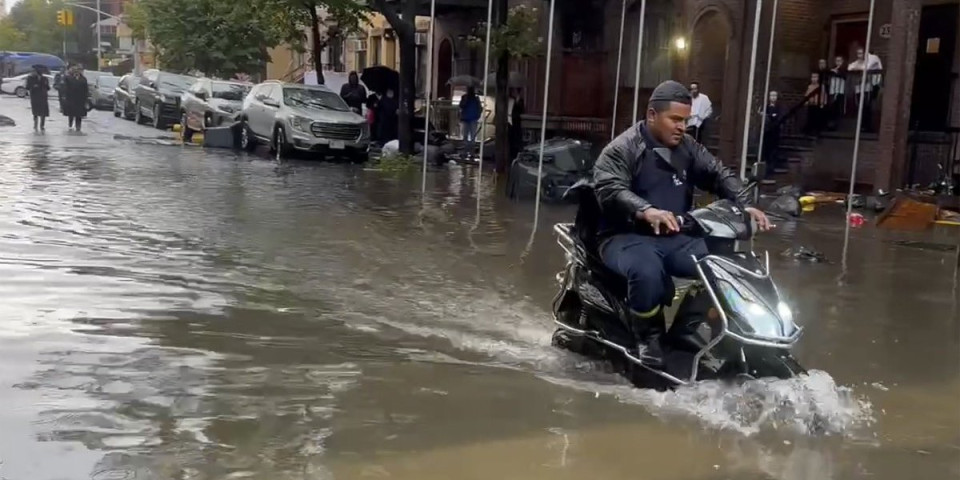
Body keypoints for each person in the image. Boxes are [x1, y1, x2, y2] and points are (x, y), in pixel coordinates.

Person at [593, 80, 772, 365]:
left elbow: (717, 173)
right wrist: (645, 210)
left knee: (721, 265)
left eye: (685, 121)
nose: (681, 127)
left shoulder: (688, 147)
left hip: (674, 235)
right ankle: (648, 337)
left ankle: (692, 329)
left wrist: (744, 202)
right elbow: (609, 188)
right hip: (625, 236)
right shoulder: (622, 148)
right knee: (646, 271)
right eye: (675, 119)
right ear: (652, 115)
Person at [761, 91, 784, 178]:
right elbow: (765, 116)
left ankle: (771, 168)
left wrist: (771, 116)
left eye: (775, 95)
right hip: (767, 132)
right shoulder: (766, 107)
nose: (773, 97)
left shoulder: (779, 108)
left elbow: (779, 118)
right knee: (766, 150)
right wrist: (771, 116)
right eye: (771, 95)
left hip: (775, 132)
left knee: (773, 151)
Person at [62, 64, 89, 132]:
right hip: (71, 98)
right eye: (77, 70)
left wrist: (86, 99)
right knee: (71, 113)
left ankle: (78, 127)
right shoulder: (69, 78)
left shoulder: (83, 79)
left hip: (80, 99)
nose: (78, 71)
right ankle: (70, 125)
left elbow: (86, 90)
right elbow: (66, 87)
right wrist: (65, 97)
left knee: (79, 114)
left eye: (80, 70)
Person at [459, 86, 482, 159]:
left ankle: (471, 153)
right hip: (466, 119)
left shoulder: (476, 98)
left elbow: (480, 108)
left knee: (472, 137)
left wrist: (478, 115)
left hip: (472, 119)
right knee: (466, 136)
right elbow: (461, 105)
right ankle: (466, 152)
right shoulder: (465, 97)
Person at [25, 65, 50, 132]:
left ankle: (42, 125)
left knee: (43, 112)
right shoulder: (30, 78)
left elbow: (48, 87)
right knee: (35, 112)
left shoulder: (44, 78)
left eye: (34, 71)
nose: (33, 72)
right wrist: (33, 86)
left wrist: (44, 85)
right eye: (32, 71)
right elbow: (27, 87)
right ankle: (35, 124)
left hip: (43, 97)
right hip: (35, 97)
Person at [803, 72, 826, 136]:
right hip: (811, 104)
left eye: (815, 77)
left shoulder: (821, 86)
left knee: (817, 118)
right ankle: (809, 131)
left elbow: (823, 95)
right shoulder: (810, 86)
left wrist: (822, 103)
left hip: (818, 104)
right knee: (810, 117)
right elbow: (807, 95)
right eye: (813, 77)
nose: (814, 79)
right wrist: (806, 102)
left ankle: (817, 130)